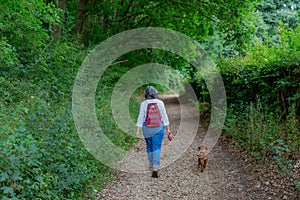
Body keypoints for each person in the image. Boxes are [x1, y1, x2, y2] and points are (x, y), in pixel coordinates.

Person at [136, 86, 171, 178]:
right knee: (156, 146)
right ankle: (156, 166)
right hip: (158, 127)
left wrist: (138, 130)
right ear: (155, 93)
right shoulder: (160, 103)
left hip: (146, 128)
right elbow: (164, 116)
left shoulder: (143, 103)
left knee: (149, 145)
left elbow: (140, 117)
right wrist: (168, 128)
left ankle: (151, 164)